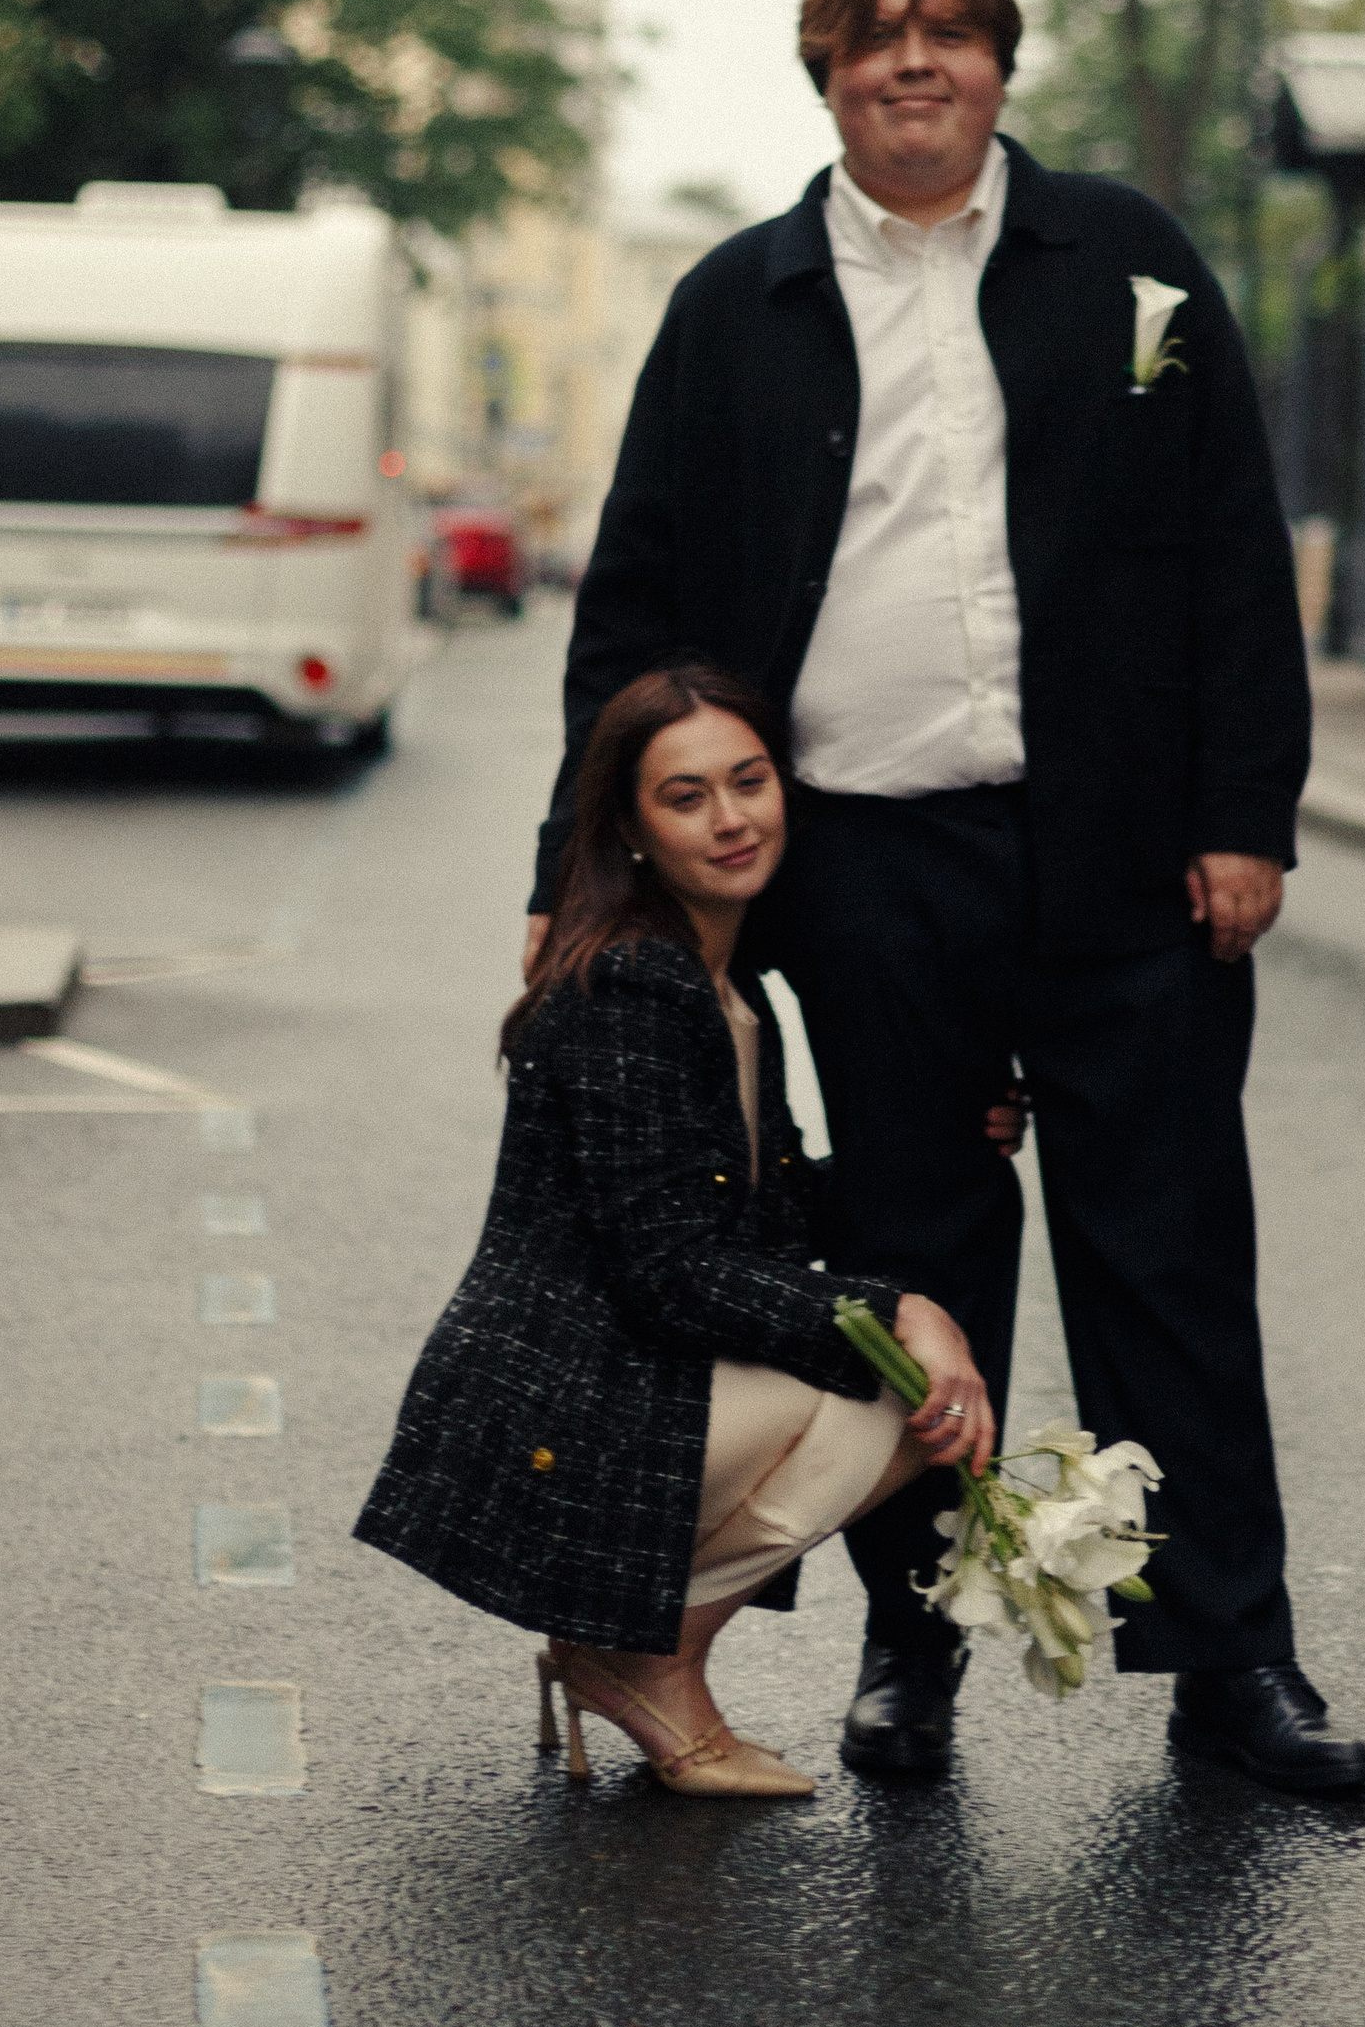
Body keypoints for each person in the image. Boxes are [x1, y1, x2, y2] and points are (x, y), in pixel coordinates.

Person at [524, 0, 1365, 1798]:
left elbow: (1237, 549)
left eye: (951, 33)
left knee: (1167, 1259)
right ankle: (916, 1656)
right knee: (917, 1281)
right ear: (826, 70)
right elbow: (637, 611)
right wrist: (571, 871)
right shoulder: (735, 305)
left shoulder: (1128, 266)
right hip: (870, 878)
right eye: (876, 36)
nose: (916, 63)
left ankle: (1233, 1663)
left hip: (1127, 868)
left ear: (1000, 64)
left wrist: (1248, 813)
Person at [355, 660, 1002, 1798]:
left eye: (748, 780)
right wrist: (907, 1308)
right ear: (632, 828)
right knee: (900, 1396)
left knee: (902, 1389)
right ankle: (651, 1663)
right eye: (687, 795)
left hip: (619, 1372)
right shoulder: (632, 988)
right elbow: (672, 1271)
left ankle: (632, 1656)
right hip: (556, 1406)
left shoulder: (725, 986)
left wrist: (943, 1135)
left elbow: (765, 1202)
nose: (732, 817)